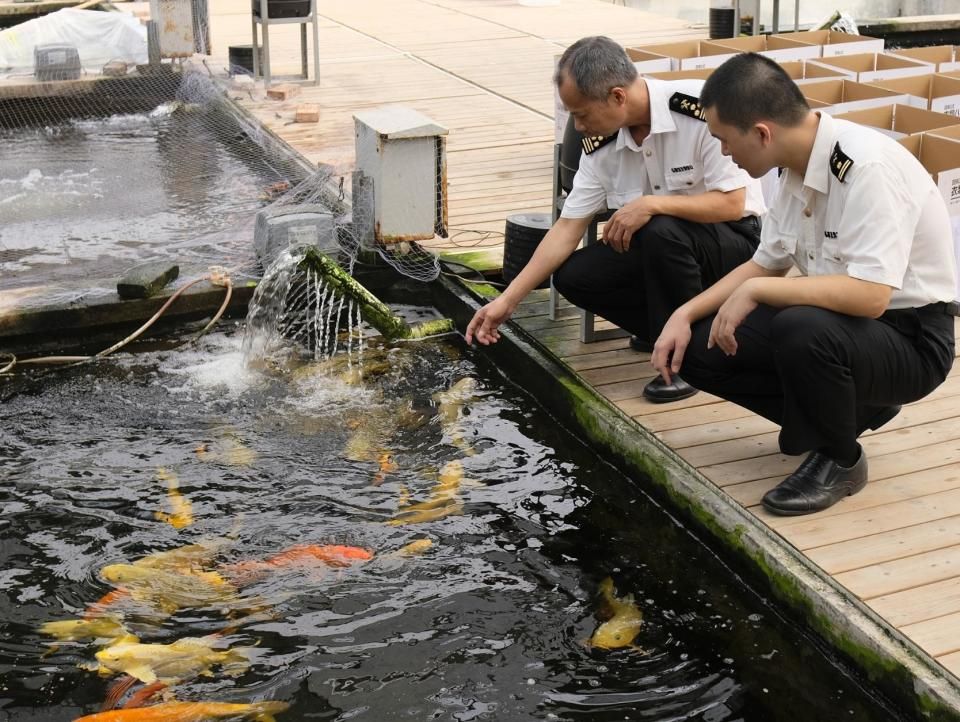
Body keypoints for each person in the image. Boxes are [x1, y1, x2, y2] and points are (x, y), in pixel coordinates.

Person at [652, 52, 957, 516]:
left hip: (912, 339)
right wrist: (683, 313)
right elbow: (764, 263)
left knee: (799, 327)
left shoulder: (867, 168)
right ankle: (846, 412)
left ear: (761, 133)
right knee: (696, 346)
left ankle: (841, 458)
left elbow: (871, 296)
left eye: (724, 140)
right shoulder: (794, 166)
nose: (724, 153)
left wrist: (756, 293)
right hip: (843, 328)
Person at [465, 35, 766, 403]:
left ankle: (687, 363)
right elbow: (567, 227)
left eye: (581, 114)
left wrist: (653, 205)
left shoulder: (700, 110)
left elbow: (732, 204)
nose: (577, 128)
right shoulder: (602, 146)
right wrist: (507, 301)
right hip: (665, 252)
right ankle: (663, 329)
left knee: (659, 228)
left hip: (734, 246)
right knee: (575, 276)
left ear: (618, 96)